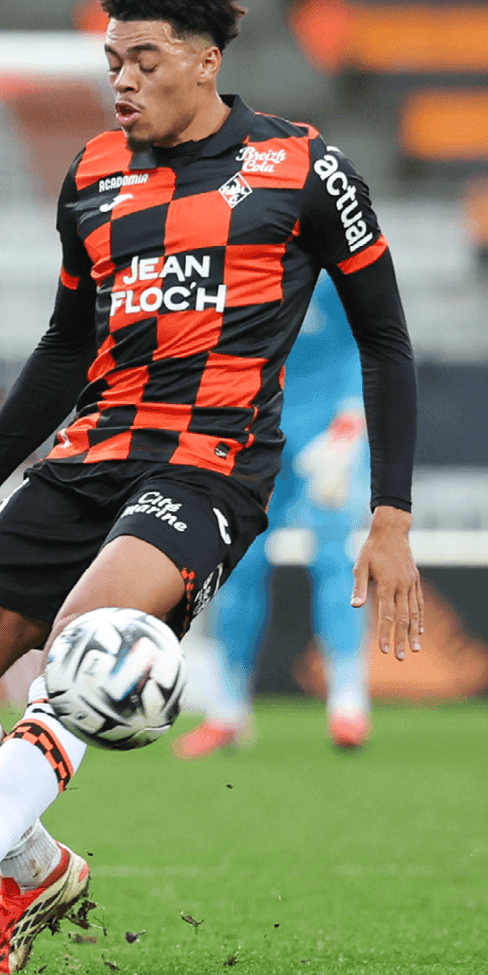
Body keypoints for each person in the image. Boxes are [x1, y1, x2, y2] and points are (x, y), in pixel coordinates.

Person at [0, 0, 421, 975]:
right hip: (87, 459)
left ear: (207, 61)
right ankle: (39, 873)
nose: (121, 81)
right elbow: (65, 348)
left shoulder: (305, 168)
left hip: (208, 469)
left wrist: (390, 517)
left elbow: (386, 342)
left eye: (145, 61)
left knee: (79, 652)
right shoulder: (93, 175)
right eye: (112, 62)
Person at [174, 277, 375, 757]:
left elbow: (366, 335)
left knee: (335, 554)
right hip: (254, 428)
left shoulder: (326, 266)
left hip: (325, 428)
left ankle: (349, 702)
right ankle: (228, 711)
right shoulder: (234, 265)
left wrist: (352, 412)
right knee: (237, 563)